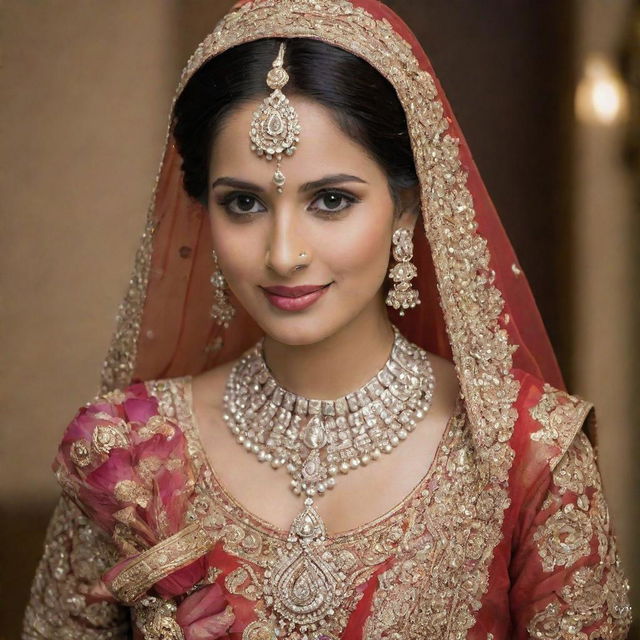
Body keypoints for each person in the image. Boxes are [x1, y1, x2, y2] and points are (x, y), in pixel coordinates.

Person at [22, 0, 632, 638]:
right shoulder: (128, 455)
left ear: (405, 209)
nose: (284, 254)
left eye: (331, 200)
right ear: (204, 212)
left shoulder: (528, 453)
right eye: (243, 203)